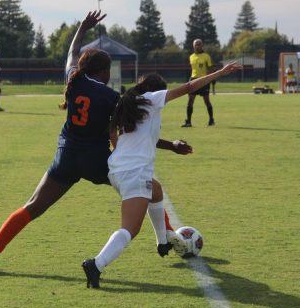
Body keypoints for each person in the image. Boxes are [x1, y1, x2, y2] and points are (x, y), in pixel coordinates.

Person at [0, 11, 182, 272]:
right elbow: (135, 133)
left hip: (67, 157)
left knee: (32, 207)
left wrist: (83, 27)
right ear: (104, 71)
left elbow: (72, 53)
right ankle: (169, 236)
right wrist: (171, 145)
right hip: (97, 160)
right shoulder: (111, 97)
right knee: (147, 187)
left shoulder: (73, 79)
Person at [81, 62, 242, 289]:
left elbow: (117, 133)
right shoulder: (152, 98)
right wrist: (220, 73)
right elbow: (188, 87)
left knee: (155, 192)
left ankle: (162, 241)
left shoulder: (127, 104)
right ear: (155, 89)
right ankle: (96, 264)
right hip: (134, 173)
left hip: (118, 169)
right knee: (130, 229)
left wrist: (171, 146)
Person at [181, 39, 216, 127]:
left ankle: (211, 120)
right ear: (193, 46)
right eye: (196, 44)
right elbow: (194, 69)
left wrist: (210, 78)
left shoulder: (206, 56)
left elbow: (210, 68)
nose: (198, 46)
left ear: (202, 45)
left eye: (199, 44)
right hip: (193, 80)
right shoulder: (191, 56)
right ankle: (188, 121)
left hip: (203, 80)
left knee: (206, 100)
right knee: (190, 100)